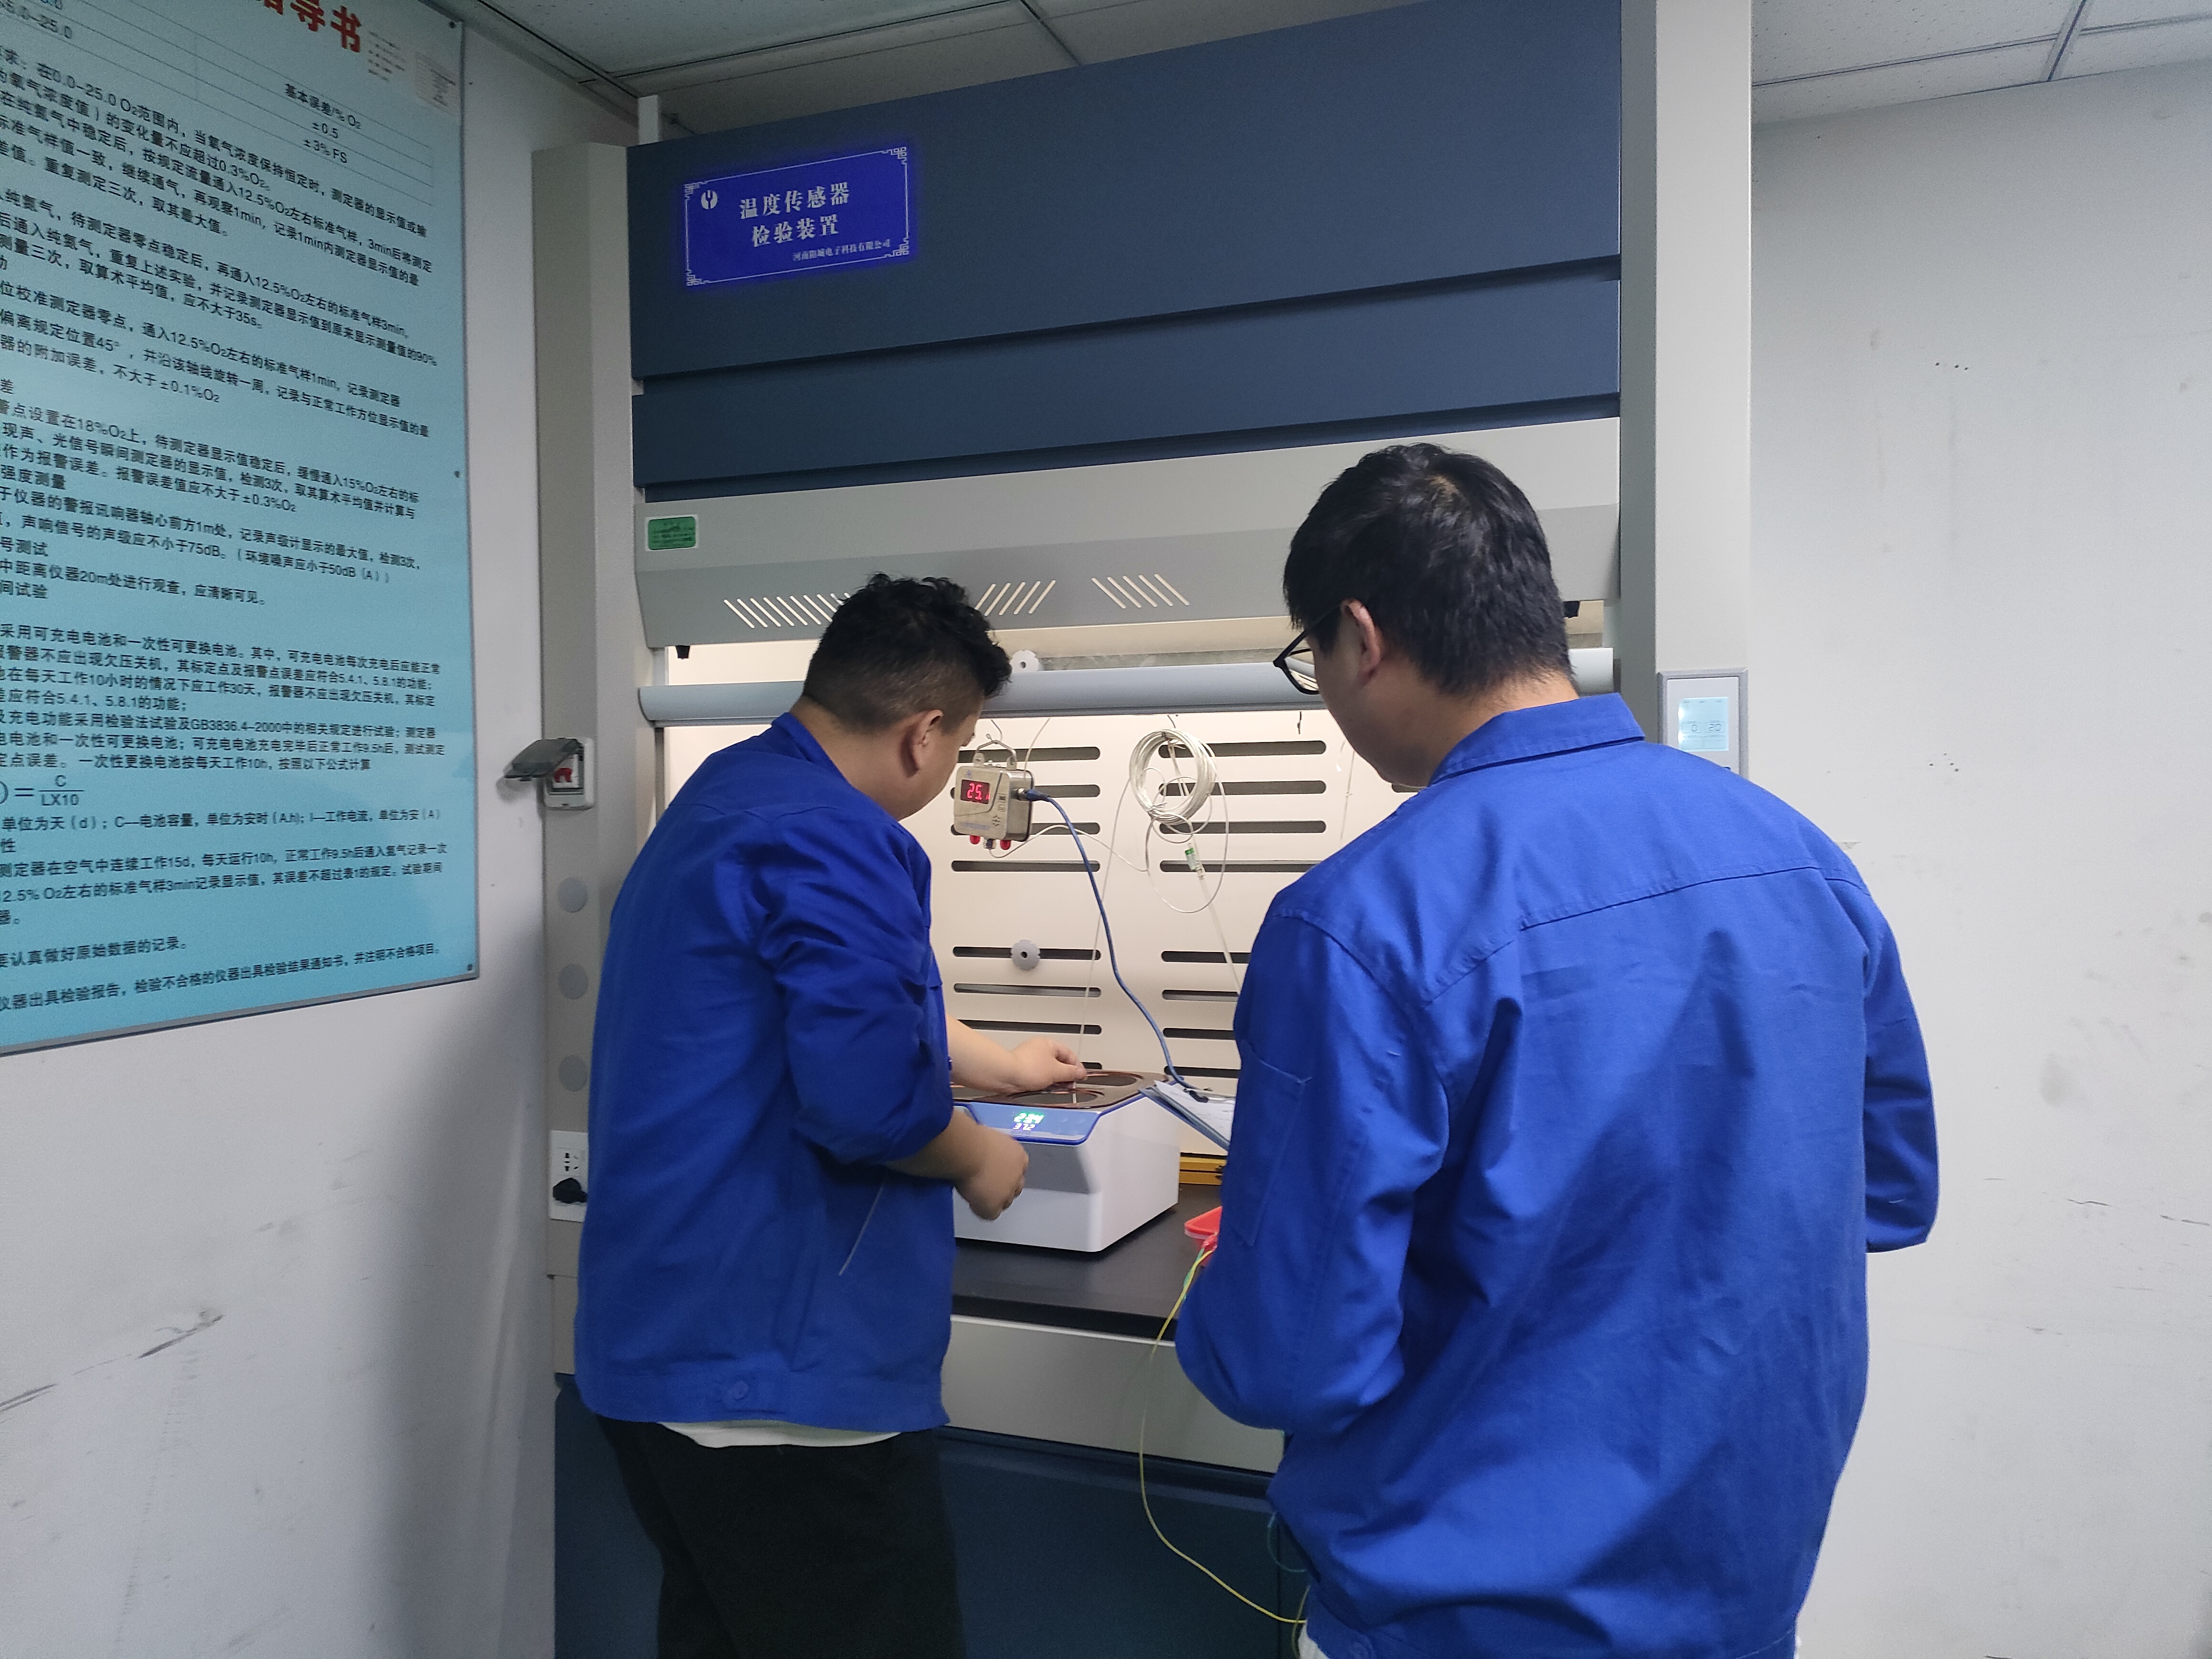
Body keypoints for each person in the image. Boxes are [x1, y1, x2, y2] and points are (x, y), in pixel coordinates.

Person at [1175, 445, 1938, 1659]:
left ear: (1360, 638)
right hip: (1737, 1594)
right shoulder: (1798, 858)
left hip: (1459, 1618)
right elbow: (1887, 1194)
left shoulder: (1362, 921)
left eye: (1307, 659)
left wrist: (1225, 1294)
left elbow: (1291, 1362)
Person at [576, 574, 1086, 1659]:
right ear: (923, 733)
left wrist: (998, 1064)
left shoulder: (731, 796)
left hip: (659, 1350)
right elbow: (867, 1104)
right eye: (961, 747)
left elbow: (815, 1000)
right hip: (778, 1381)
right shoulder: (839, 837)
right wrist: (976, 1158)